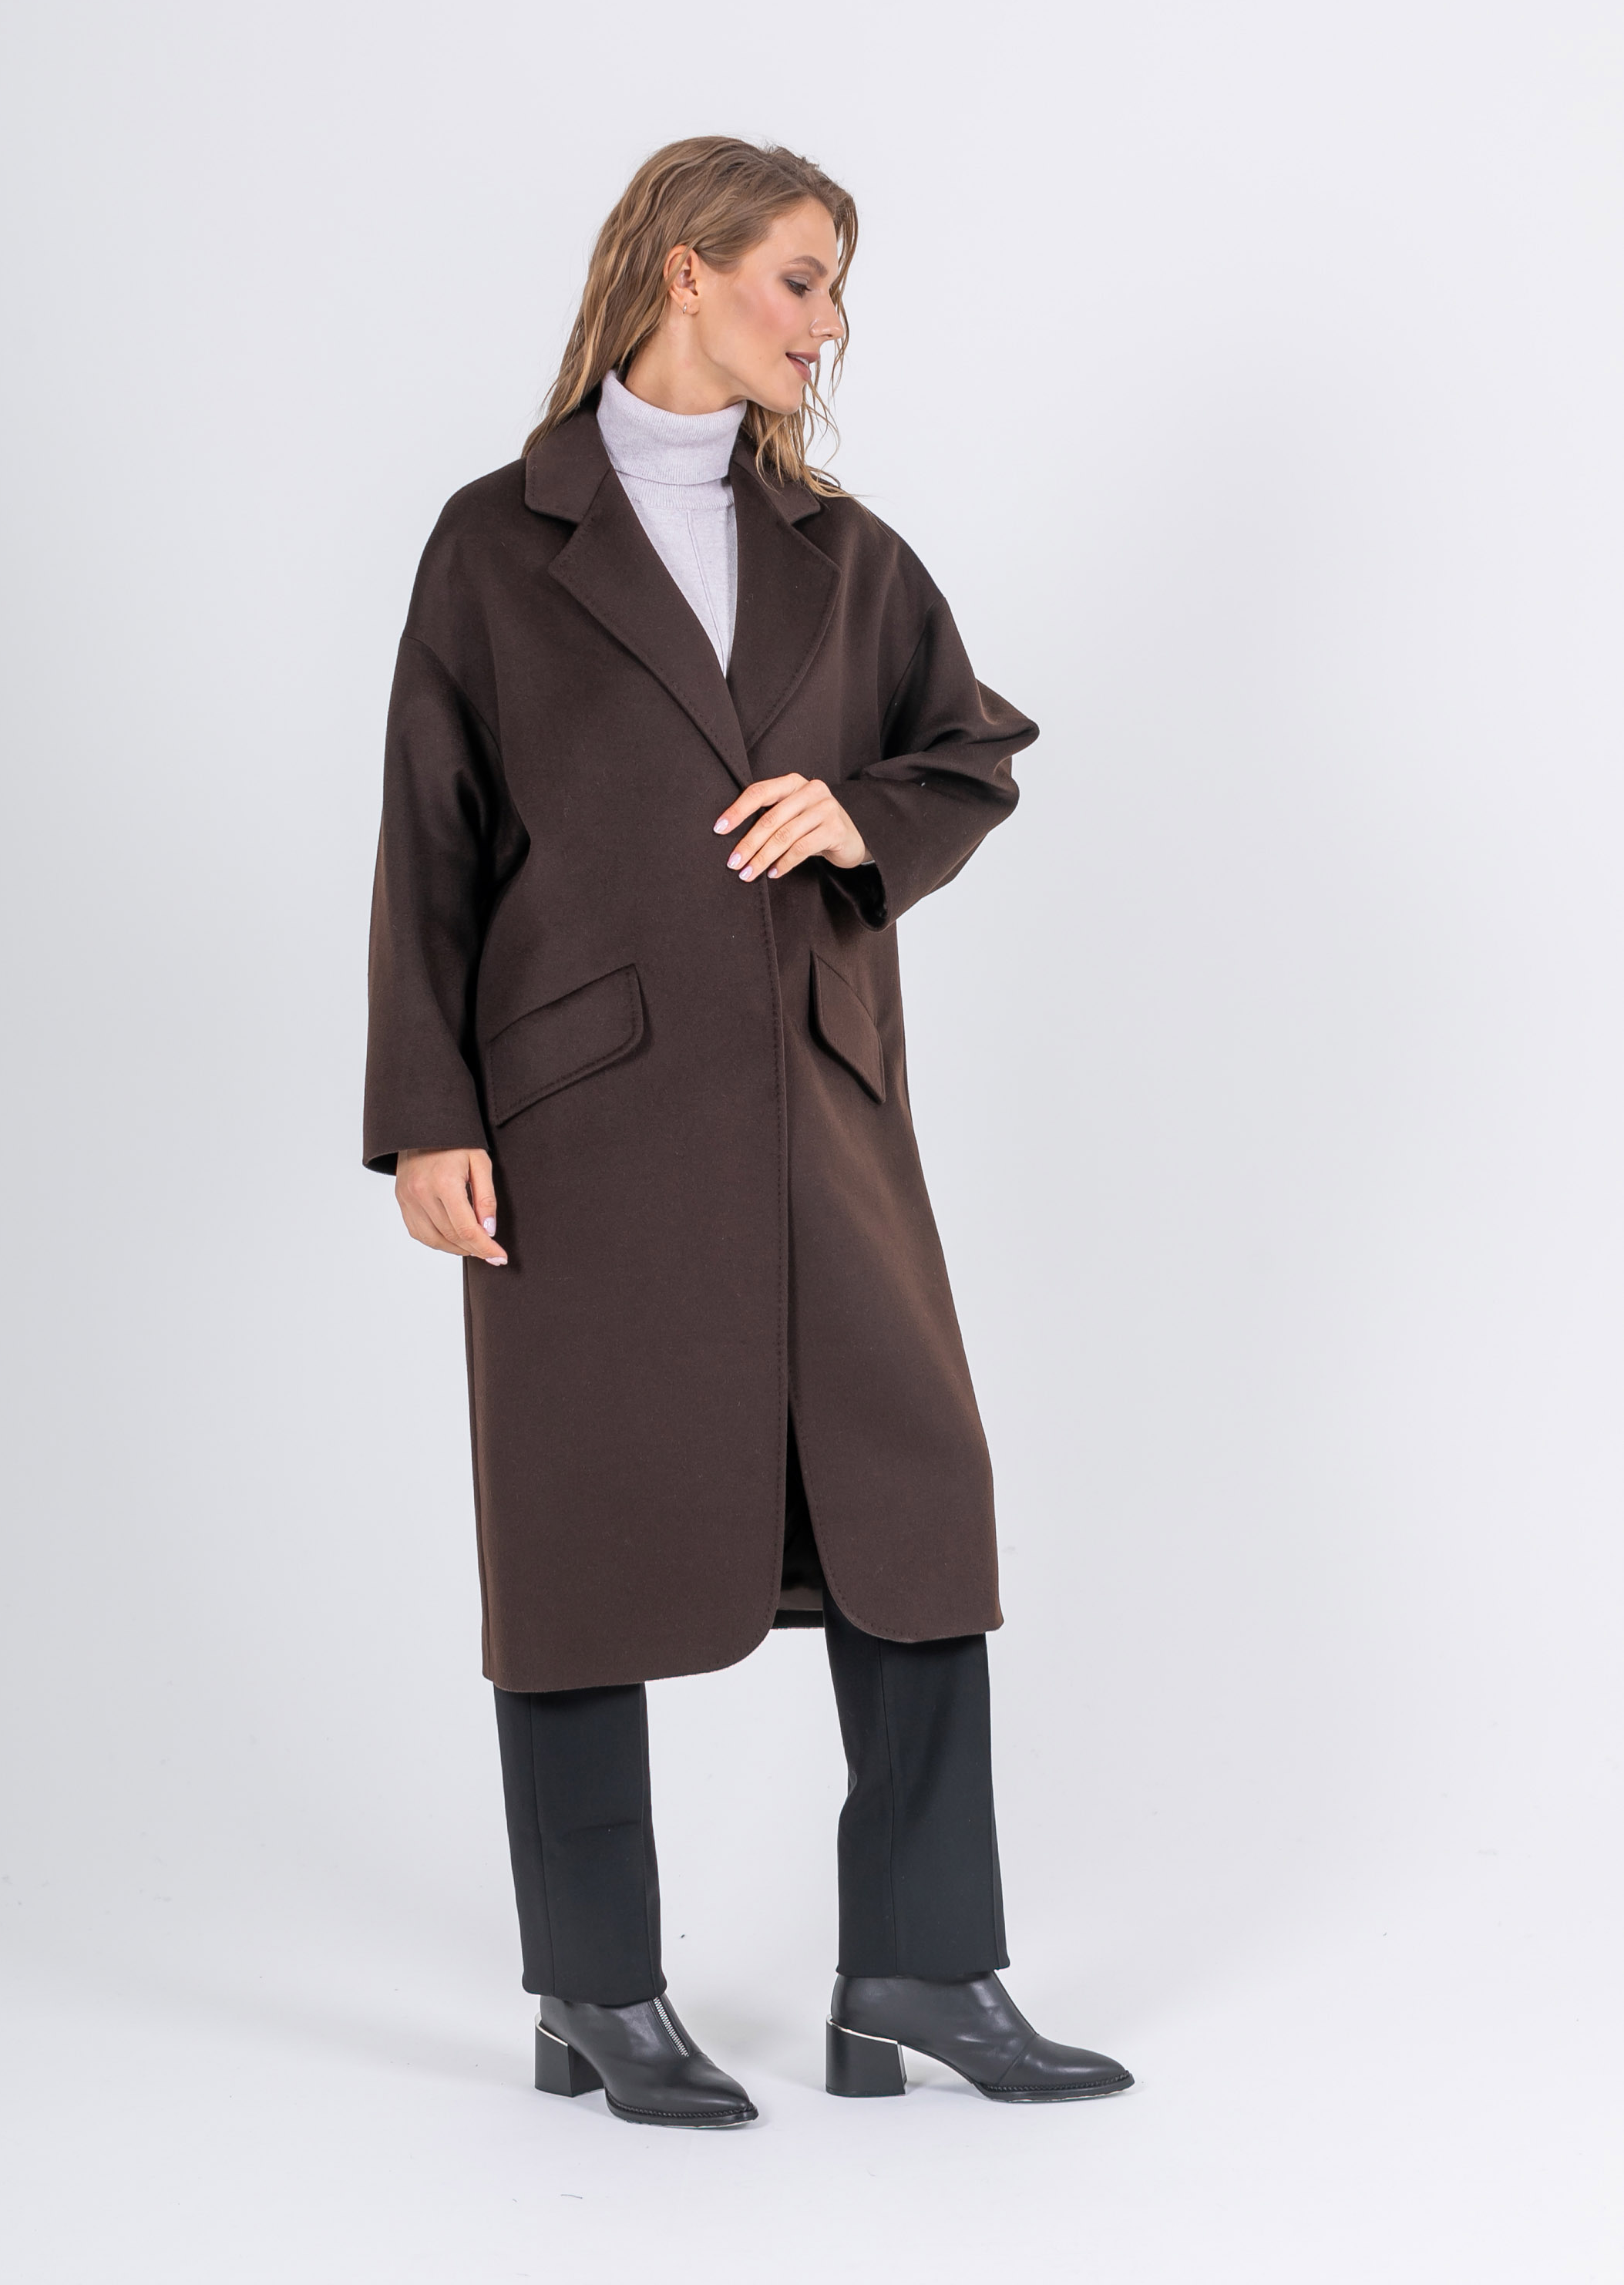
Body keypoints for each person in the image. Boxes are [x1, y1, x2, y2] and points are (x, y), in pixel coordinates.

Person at [363, 135, 1131, 2129]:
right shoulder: (495, 542)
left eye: (838, 288)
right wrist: (426, 1116)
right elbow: (430, 843)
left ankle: (922, 1968)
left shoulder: (844, 552)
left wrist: (860, 811)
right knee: (578, 1533)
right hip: (579, 1128)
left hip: (820, 1103)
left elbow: (970, 752)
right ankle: (594, 1989)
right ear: (684, 271)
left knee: (916, 1509)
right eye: (802, 279)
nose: (831, 323)